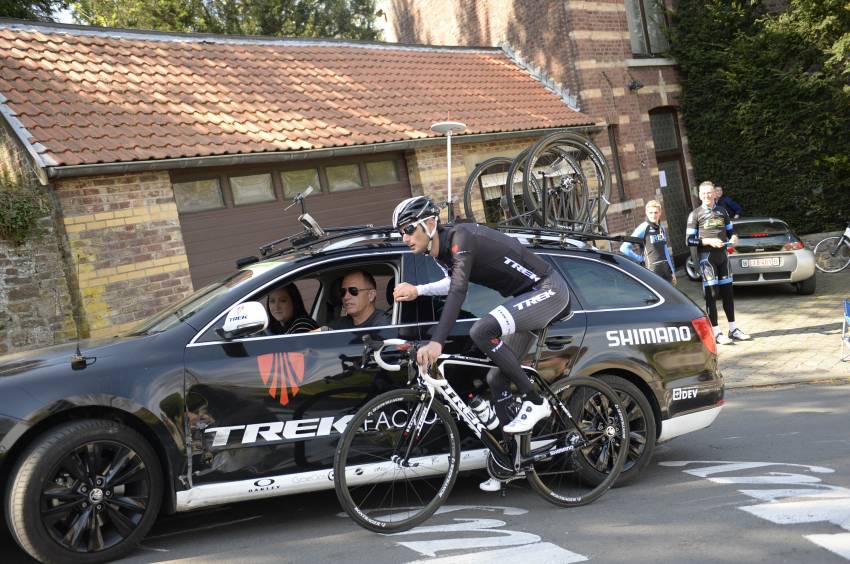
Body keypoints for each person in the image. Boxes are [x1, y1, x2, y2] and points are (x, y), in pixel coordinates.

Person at [391, 196, 571, 491]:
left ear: (430, 223)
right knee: (496, 378)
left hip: (548, 290)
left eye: (409, 229)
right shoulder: (442, 252)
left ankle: (536, 401)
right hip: (526, 298)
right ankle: (513, 463)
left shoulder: (461, 239)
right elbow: (453, 281)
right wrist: (419, 290)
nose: (405, 237)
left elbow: (459, 291)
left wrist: (437, 342)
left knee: (481, 330)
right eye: (401, 232)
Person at [686, 181, 750, 344]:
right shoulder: (695, 214)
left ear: (715, 194)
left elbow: (731, 231)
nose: (707, 196)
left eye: (710, 193)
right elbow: (689, 240)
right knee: (712, 295)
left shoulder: (722, 211)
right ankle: (716, 331)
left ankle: (733, 329)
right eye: (704, 193)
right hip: (706, 259)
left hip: (722, 256)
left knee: (728, 293)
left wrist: (734, 237)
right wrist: (708, 241)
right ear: (699, 195)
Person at [620, 200, 677, 285]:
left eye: (656, 212)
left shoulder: (661, 228)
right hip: (651, 270)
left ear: (660, 213)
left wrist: (672, 271)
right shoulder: (643, 228)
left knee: (670, 296)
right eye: (651, 213)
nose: (653, 215)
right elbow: (624, 248)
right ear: (646, 213)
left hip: (665, 270)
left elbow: (665, 251)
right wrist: (641, 259)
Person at [324, 270, 390, 330]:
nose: (346, 297)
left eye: (353, 291)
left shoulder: (385, 325)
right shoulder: (340, 324)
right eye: (343, 292)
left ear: (371, 295)